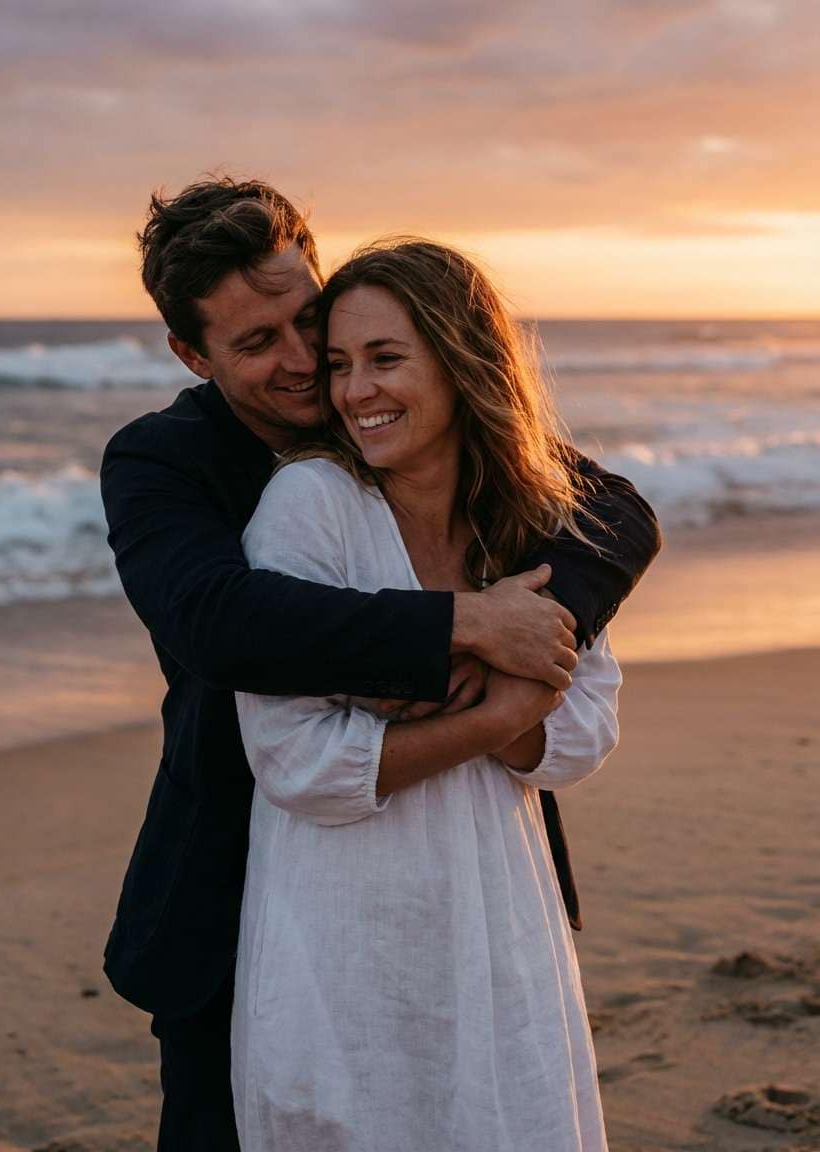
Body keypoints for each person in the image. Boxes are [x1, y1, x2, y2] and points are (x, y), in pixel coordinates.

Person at [100, 177, 660, 1151]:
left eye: (303, 320)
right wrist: (465, 627)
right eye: (253, 343)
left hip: (463, 874)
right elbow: (219, 623)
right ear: (192, 354)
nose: (303, 364)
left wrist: (540, 639)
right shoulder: (164, 461)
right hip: (234, 888)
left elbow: (612, 512)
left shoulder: (394, 411)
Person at [231, 238, 623, 1150]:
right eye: (339, 365)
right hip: (342, 936)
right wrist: (499, 710)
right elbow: (298, 765)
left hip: (501, 920)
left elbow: (589, 728)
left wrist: (480, 711)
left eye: (386, 358)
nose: (355, 390)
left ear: (461, 359)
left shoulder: (526, 521)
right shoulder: (311, 506)